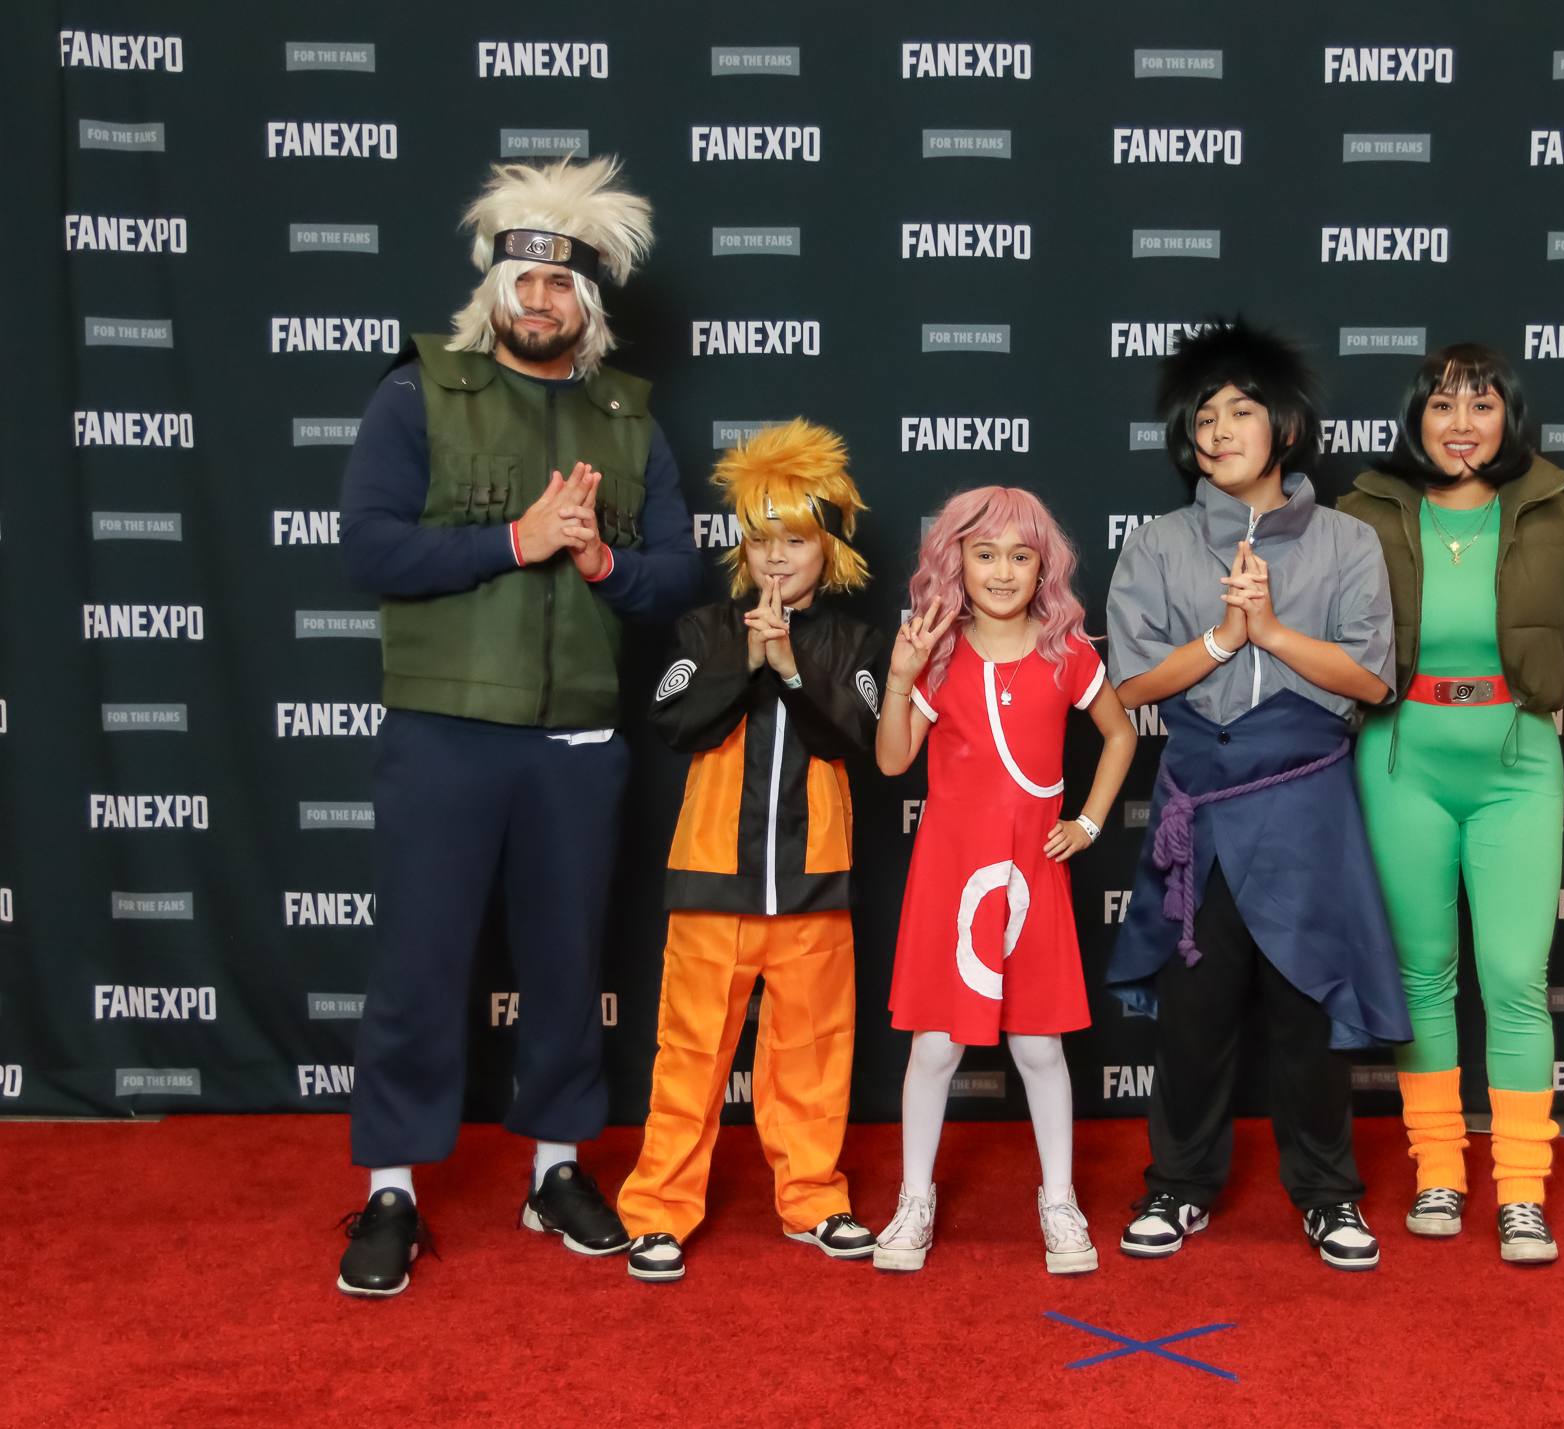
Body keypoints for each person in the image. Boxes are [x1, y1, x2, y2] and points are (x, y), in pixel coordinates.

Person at [333, 156, 701, 1298]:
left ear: (588, 306)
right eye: (521, 279)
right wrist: (513, 542)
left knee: (565, 964)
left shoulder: (627, 422)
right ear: (493, 286)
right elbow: (369, 547)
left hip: (578, 740)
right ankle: (391, 1185)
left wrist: (598, 559)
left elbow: (679, 574)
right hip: (445, 729)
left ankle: (553, 1170)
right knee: (418, 964)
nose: (538, 301)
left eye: (560, 287)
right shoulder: (417, 392)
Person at [1104, 319, 1411, 1272]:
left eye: (1242, 409)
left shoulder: (1348, 539)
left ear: (1284, 425)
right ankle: (1179, 1185)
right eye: (1204, 414)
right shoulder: (1156, 543)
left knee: (1307, 1011)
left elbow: (1372, 679)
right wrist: (1222, 644)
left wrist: (1271, 630)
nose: (1220, 428)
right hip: (1198, 795)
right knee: (1195, 1010)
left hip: (1306, 799)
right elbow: (1129, 683)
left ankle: (1326, 1195)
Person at [1336, 344, 1564, 1264]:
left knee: (1514, 977)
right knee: (1425, 975)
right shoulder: (1367, 511)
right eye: (1442, 405)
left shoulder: (1551, 507)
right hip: (1401, 758)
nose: (1461, 425)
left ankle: (1521, 1189)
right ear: (1416, 418)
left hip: (1517, 759)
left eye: (1481, 406)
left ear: (1509, 419)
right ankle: (1439, 1170)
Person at [616, 420, 885, 1283]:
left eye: (796, 539)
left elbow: (857, 735)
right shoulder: (702, 629)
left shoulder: (854, 643)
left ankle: (813, 1198)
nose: (777, 557)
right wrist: (748, 660)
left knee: (812, 1052)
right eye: (762, 538)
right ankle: (658, 1210)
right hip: (710, 885)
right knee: (689, 1054)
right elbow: (675, 720)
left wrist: (793, 670)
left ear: (828, 548)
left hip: (813, 887)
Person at [872, 488, 1137, 1274]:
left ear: (1043, 568)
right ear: (955, 560)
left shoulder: (1067, 651)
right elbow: (892, 760)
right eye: (985, 554)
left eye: (1021, 556)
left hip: (1033, 874)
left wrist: (1087, 822)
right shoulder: (938, 649)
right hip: (952, 876)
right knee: (934, 1046)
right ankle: (913, 1199)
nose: (1002, 570)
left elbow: (1120, 733)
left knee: (1039, 1044)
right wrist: (899, 674)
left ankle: (1058, 1199)